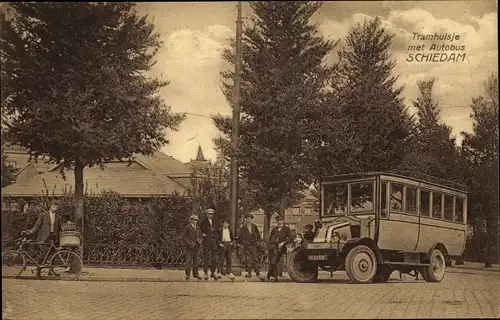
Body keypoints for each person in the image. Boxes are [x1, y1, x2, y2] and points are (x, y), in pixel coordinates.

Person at [261, 215, 293, 282]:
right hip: (272, 247)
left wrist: (283, 243)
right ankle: (273, 277)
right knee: (273, 262)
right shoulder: (274, 229)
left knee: (273, 262)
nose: (279, 221)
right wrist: (267, 247)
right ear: (277, 221)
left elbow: (291, 238)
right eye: (278, 220)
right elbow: (270, 239)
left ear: (283, 221)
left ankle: (269, 276)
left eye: (281, 220)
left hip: (280, 248)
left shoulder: (287, 229)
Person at [238, 213, 262, 278]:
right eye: (248, 219)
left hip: (253, 245)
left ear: (252, 219)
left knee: (255, 258)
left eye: (250, 219)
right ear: (246, 219)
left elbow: (258, 235)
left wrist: (258, 242)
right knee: (248, 260)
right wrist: (242, 243)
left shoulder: (255, 226)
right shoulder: (243, 227)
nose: (249, 220)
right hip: (246, 246)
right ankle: (249, 273)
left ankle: (257, 271)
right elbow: (239, 237)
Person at [200, 208, 221, 280]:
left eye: (211, 214)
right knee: (206, 257)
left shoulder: (216, 222)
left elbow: (218, 231)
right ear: (206, 215)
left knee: (214, 258)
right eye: (209, 214)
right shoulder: (203, 222)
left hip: (214, 241)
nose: (210, 215)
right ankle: (205, 272)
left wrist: (217, 239)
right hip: (206, 242)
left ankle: (213, 272)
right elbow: (201, 231)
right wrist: (203, 235)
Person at [182, 215, 203, 281]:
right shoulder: (187, 227)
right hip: (190, 247)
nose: (195, 221)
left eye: (197, 220)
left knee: (196, 261)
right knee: (188, 261)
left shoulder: (198, 228)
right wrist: (189, 244)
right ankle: (187, 274)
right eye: (194, 219)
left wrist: (199, 241)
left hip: (197, 246)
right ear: (190, 220)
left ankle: (196, 274)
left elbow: (201, 236)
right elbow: (184, 237)